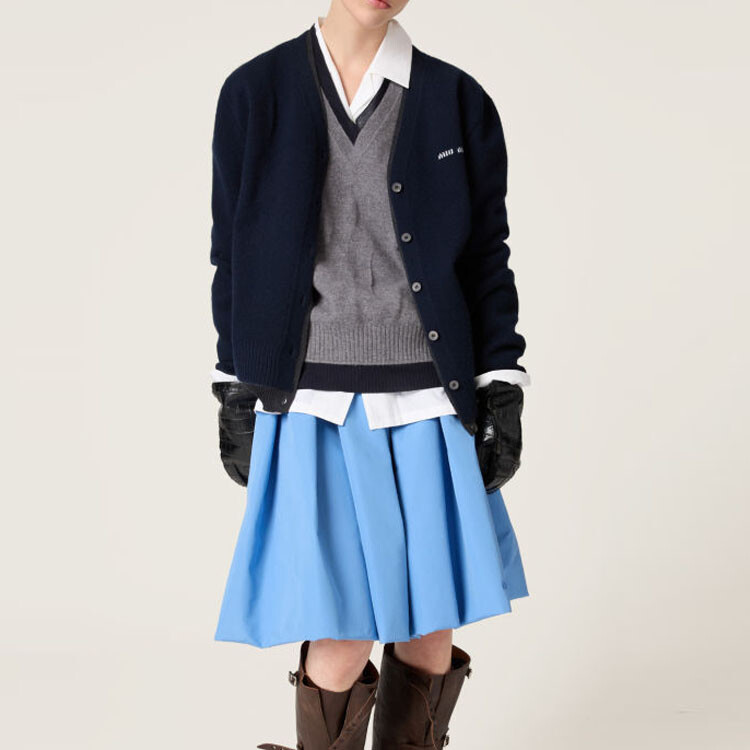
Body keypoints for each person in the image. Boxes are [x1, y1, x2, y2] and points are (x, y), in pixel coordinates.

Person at [208, 1, 530, 747]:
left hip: (429, 397)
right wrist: (235, 385)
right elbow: (233, 251)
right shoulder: (256, 91)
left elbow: (487, 253)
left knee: (430, 625)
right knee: (341, 629)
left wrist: (501, 383)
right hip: (311, 400)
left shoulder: (456, 98)